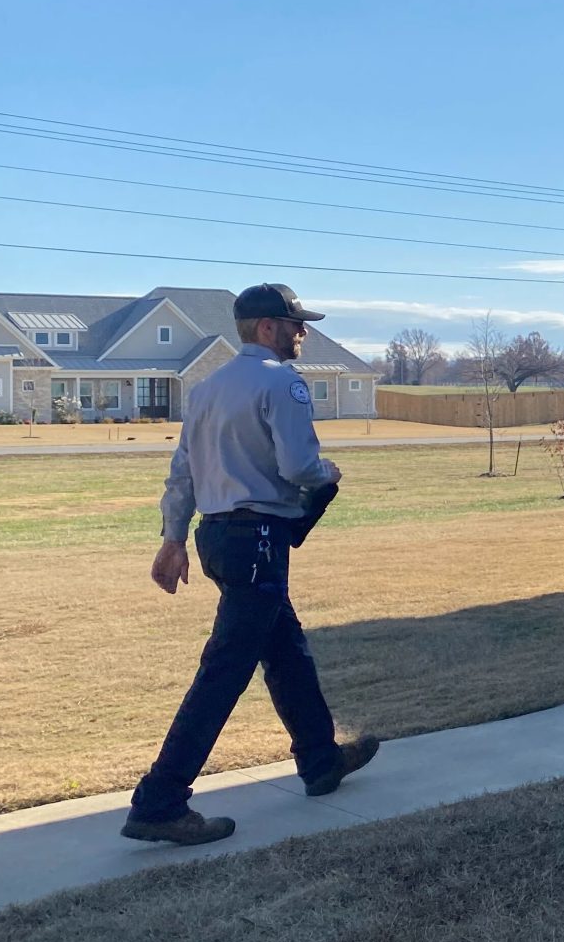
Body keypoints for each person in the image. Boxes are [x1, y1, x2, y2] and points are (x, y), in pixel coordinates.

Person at [122, 283, 378, 845]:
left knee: (285, 649)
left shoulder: (206, 388)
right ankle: (159, 800)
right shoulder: (283, 382)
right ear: (267, 327)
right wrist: (328, 473)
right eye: (295, 323)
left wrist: (173, 539)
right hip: (260, 537)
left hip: (217, 536)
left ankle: (320, 759)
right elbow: (299, 465)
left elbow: (183, 473)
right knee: (225, 669)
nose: (303, 332)